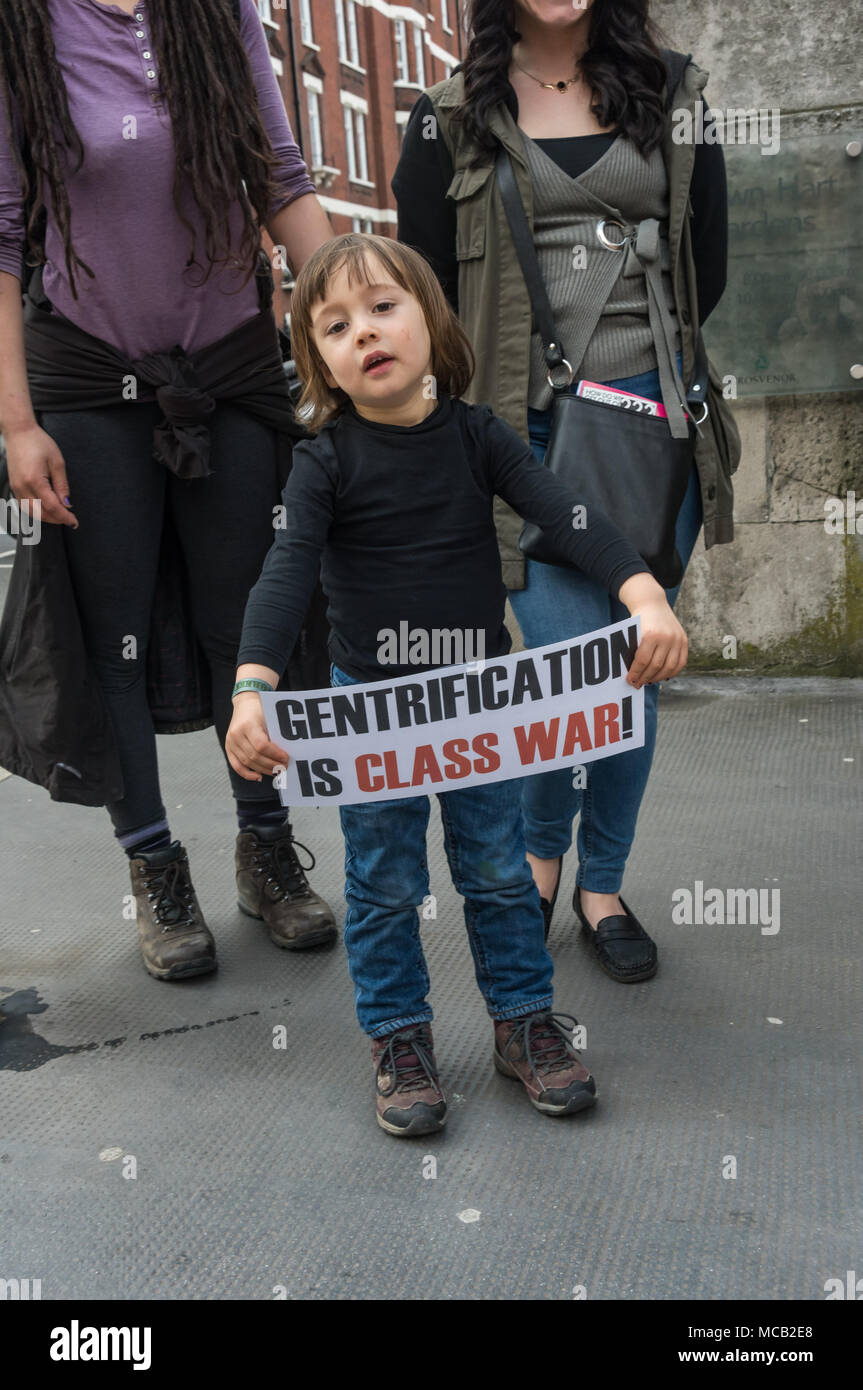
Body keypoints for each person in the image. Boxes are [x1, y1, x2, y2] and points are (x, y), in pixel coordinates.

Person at [226, 231, 689, 1138]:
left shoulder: (480, 437)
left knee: (497, 876)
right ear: (317, 361)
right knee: (384, 884)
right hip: (373, 717)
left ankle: (523, 1026)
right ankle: (398, 1041)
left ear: (432, 321)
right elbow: (284, 575)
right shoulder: (321, 463)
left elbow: (567, 516)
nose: (363, 332)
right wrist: (252, 688)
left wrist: (640, 594)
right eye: (333, 325)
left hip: (480, 708)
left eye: (382, 307)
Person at [391, 0, 740, 981]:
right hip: (519, 436)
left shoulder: (673, 94)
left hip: (649, 432)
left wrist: (626, 382)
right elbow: (424, 291)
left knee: (634, 661)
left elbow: (701, 265)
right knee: (558, 670)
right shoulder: (447, 116)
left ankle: (602, 883)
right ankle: (544, 850)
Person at [0, 0, 338, 981]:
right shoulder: (25, 26)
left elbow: (279, 176)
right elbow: (5, 231)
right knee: (113, 633)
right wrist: (15, 426)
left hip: (229, 366)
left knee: (250, 627)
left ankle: (266, 850)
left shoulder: (214, 12)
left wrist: (363, 309)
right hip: (89, 377)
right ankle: (153, 862)